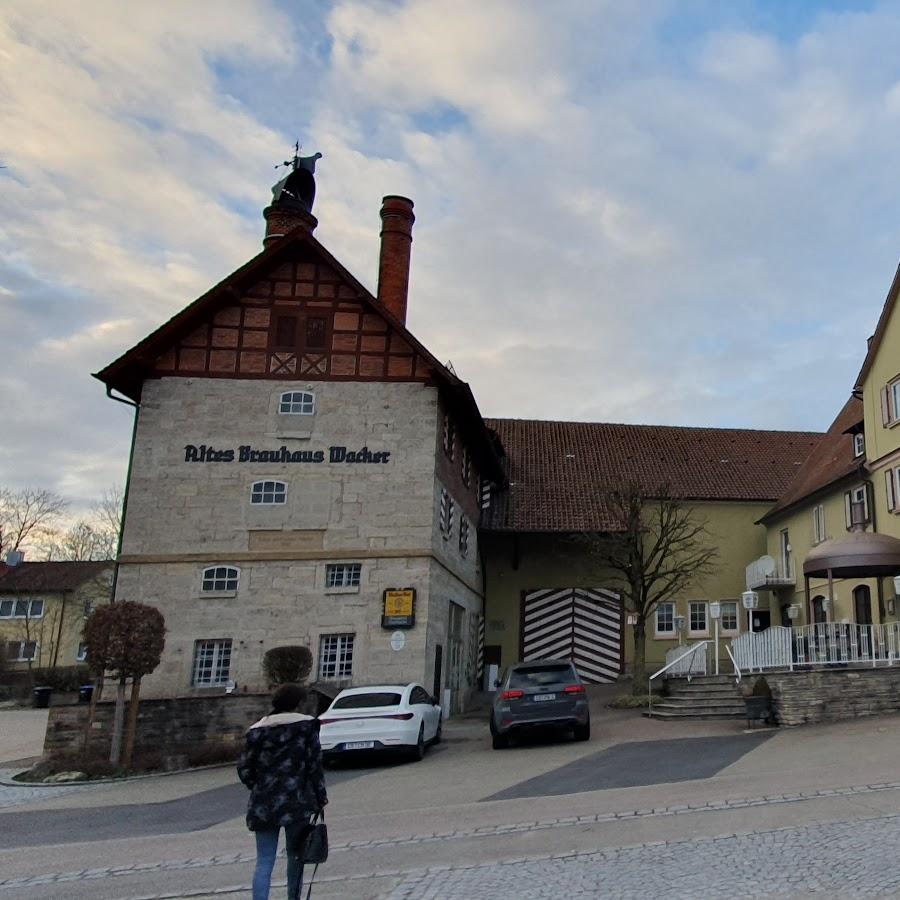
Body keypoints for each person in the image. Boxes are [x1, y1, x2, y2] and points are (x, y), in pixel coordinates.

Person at [238, 683, 328, 900]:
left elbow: (244, 768)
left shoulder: (257, 730)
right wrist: (320, 796)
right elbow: (314, 765)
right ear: (297, 703)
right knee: (296, 856)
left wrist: (259, 787)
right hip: (297, 800)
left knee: (264, 860)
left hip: (264, 803)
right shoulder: (306, 727)